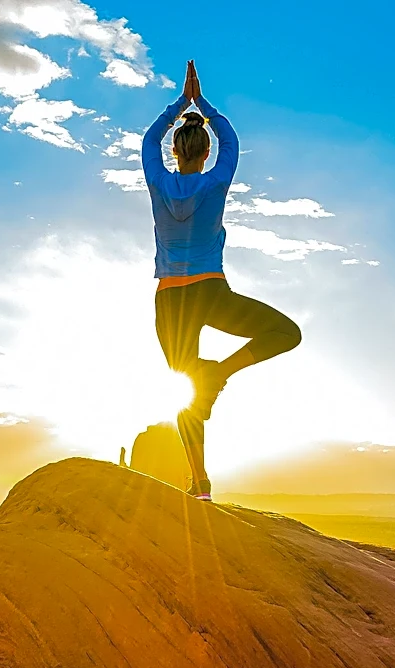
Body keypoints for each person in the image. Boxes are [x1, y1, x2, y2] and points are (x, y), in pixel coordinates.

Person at [142, 60, 302, 501]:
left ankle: (200, 483)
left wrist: (180, 103)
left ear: (175, 151)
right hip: (211, 292)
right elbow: (230, 137)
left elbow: (148, 139)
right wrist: (202, 104)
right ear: (205, 153)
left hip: (170, 301)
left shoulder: (157, 182)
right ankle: (221, 375)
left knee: (186, 393)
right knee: (287, 333)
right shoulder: (216, 182)